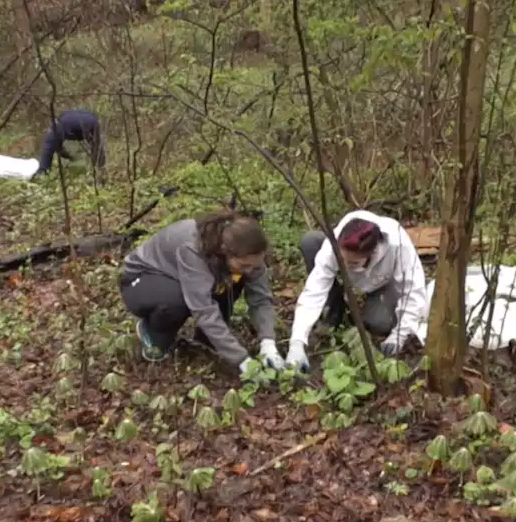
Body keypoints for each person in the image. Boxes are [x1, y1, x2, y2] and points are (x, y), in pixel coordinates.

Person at [119, 210, 285, 375]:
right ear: (224, 250)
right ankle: (154, 332)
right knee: (177, 300)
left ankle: (206, 340)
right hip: (143, 280)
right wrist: (241, 359)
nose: (250, 270)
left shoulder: (250, 254)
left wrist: (268, 341)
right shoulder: (193, 249)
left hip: (186, 277)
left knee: (235, 277)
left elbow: (261, 299)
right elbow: (203, 309)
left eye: (254, 266)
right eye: (244, 265)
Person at [286, 210, 428, 372]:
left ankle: (378, 305)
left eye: (352, 263)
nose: (345, 265)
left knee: (379, 323)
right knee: (310, 242)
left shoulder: (398, 244)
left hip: (384, 285)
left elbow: (412, 291)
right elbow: (314, 290)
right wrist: (297, 341)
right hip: (351, 282)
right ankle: (334, 311)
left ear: (372, 253)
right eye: (342, 260)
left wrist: (400, 335)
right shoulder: (333, 245)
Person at [35, 108, 107, 177]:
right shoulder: (62, 120)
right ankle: (101, 169)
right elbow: (58, 148)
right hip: (89, 117)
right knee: (97, 149)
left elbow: (48, 151)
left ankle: (100, 171)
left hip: (87, 123)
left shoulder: (56, 131)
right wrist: (70, 157)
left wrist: (42, 171)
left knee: (97, 150)